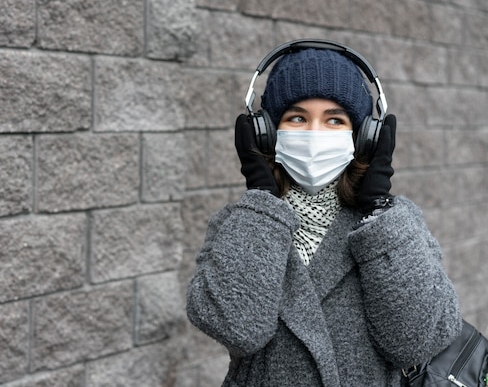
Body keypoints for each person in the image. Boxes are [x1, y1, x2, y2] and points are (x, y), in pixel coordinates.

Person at [185, 42, 462, 386]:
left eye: (334, 119)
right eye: (298, 118)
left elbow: (418, 341)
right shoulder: (243, 223)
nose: (315, 133)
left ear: (363, 138)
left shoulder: (393, 226)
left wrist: (377, 208)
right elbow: (236, 329)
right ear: (268, 132)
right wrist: (262, 199)